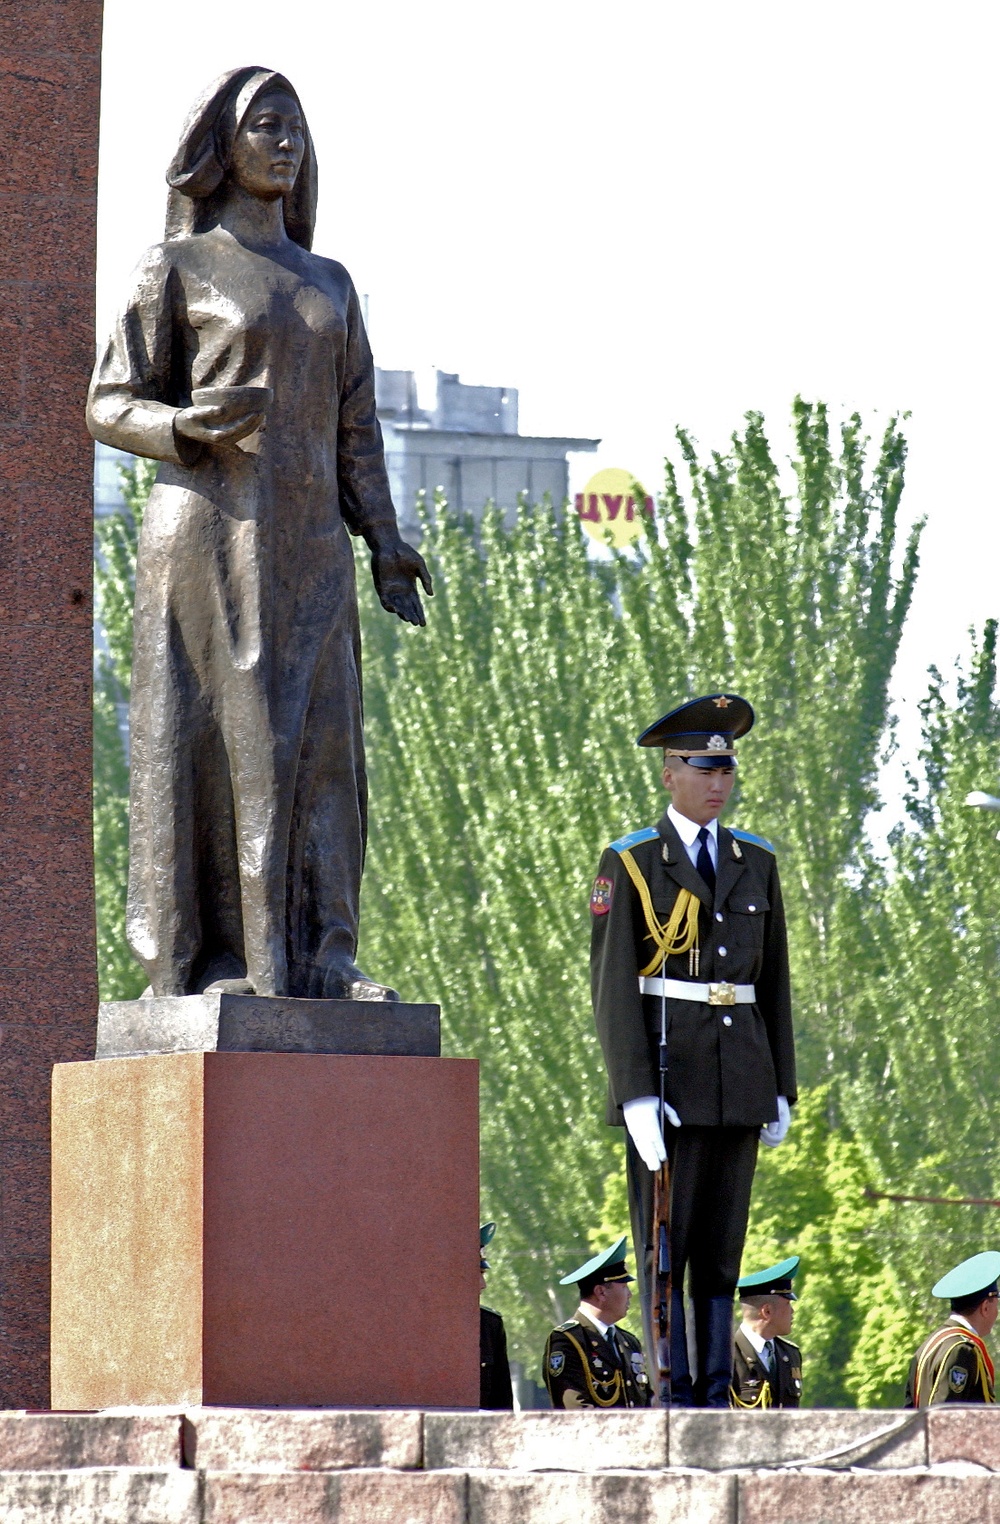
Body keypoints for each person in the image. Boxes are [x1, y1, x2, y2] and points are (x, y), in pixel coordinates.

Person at [87, 67, 431, 1001]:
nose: (287, 143)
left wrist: (386, 543)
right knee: (219, 747)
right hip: (209, 535)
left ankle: (326, 956)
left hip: (313, 547)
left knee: (322, 752)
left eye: (298, 131)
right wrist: (183, 428)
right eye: (267, 126)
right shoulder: (178, 268)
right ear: (222, 148)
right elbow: (108, 402)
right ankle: (215, 964)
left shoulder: (332, 284)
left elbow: (356, 428)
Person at [590, 694, 796, 1406]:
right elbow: (614, 988)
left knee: (721, 1248)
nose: (719, 783)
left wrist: (780, 1085)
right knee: (665, 1249)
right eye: (705, 767)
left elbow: (774, 984)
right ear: (670, 772)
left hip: (738, 1078)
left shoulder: (755, 860)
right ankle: (674, 1394)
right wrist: (635, 1093)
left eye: (727, 768)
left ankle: (716, 1391)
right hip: (669, 1082)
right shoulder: (633, 862)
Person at [543, 1238, 652, 1409]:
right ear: (601, 1292)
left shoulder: (628, 1342)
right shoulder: (567, 1341)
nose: (630, 1294)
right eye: (624, 1287)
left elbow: (646, 1402)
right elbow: (576, 1410)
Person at [905, 1251, 1000, 1406]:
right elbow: (946, 1416)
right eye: (996, 1305)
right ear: (985, 1308)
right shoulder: (962, 1350)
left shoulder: (931, 1344)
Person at [730, 1256, 802, 1408]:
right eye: (788, 1304)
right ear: (767, 1311)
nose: (792, 1311)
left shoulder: (790, 1354)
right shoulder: (727, 1355)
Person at [479, 1222, 513, 1409]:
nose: (483, 1284)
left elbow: (502, 1402)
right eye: (478, 1273)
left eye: (483, 1273)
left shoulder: (490, 1324)